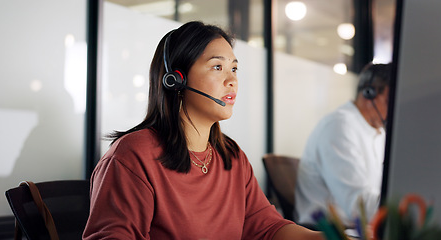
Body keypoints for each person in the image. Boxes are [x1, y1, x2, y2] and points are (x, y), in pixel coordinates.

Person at [83, 21, 323, 240]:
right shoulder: (134, 154)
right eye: (217, 67)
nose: (232, 80)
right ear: (176, 80)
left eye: (234, 69)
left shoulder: (231, 156)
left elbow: (267, 227)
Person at [295, 63, 392, 227]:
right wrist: (401, 209)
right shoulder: (339, 126)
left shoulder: (378, 132)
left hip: (359, 230)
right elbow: (358, 207)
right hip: (328, 232)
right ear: (369, 94)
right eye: (390, 100)